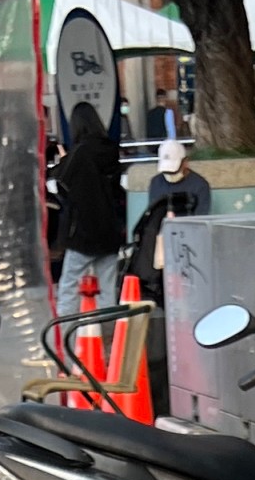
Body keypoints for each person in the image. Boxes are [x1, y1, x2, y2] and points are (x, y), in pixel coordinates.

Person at [50, 99, 128, 323]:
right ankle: (108, 332)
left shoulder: (80, 153)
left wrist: (63, 160)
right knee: (107, 288)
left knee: (69, 285)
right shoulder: (110, 150)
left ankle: (65, 331)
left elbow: (61, 183)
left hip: (83, 233)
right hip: (110, 231)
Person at [125, 136, 212, 292]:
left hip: (189, 246)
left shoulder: (200, 185)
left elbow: (200, 221)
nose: (170, 175)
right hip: (161, 244)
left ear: (185, 163)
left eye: (174, 170)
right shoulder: (156, 182)